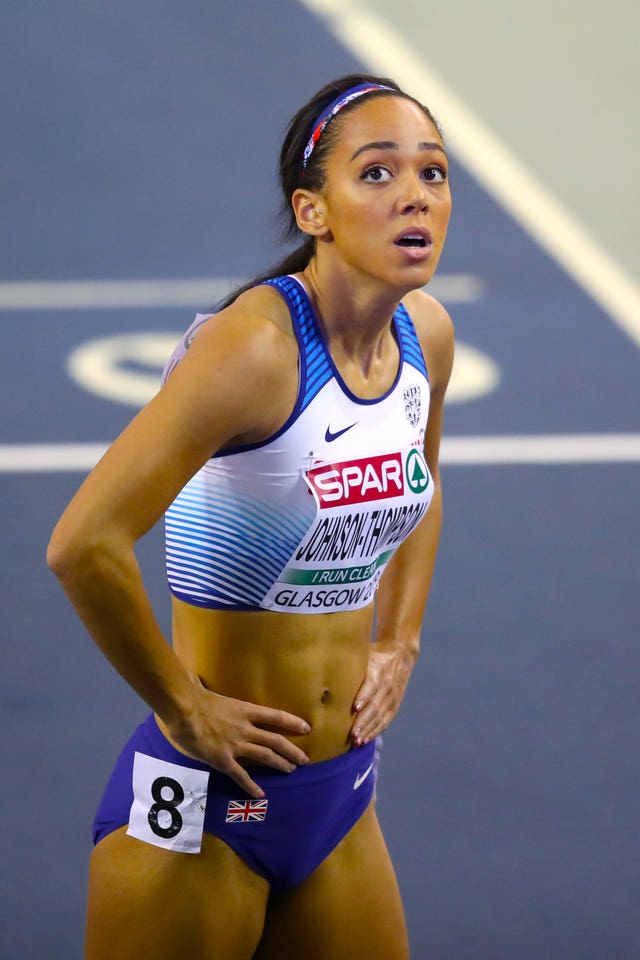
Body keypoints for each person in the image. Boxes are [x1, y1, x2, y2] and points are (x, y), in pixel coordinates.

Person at [47, 72, 454, 959]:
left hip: (340, 800)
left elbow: (422, 475)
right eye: (377, 174)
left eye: (433, 171)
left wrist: (402, 637)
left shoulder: (428, 335)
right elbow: (84, 545)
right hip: (206, 804)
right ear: (315, 211)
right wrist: (185, 706)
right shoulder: (254, 351)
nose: (415, 195)